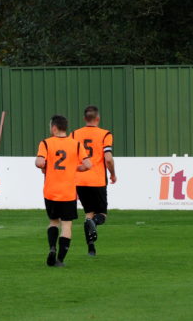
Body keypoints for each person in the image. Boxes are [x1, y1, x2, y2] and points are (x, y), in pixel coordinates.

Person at [35, 115, 91, 267]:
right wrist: (75, 168)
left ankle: (52, 247)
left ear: (54, 128)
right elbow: (88, 165)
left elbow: (39, 162)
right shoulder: (76, 144)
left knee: (53, 222)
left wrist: (45, 166)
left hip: (50, 191)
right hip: (68, 192)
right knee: (66, 225)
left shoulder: (45, 143)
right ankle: (60, 259)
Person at [70, 105, 117, 256]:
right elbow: (108, 159)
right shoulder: (105, 134)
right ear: (98, 118)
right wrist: (113, 174)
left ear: (84, 119)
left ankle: (91, 247)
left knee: (88, 213)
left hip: (80, 180)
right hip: (97, 180)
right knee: (101, 214)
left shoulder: (74, 134)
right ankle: (95, 223)